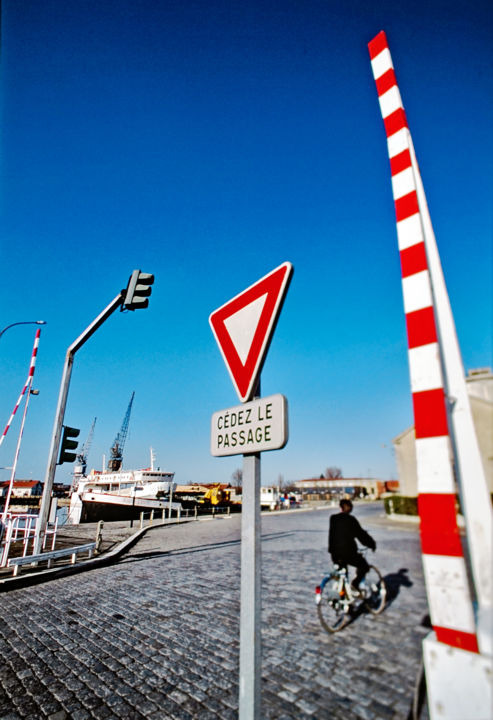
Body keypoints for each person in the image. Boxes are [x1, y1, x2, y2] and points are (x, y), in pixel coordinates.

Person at [328, 498, 376, 593]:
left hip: (334, 554)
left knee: (342, 574)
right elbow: (361, 535)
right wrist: (371, 544)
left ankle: (343, 598)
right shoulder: (351, 520)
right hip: (348, 553)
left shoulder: (333, 518)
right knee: (363, 566)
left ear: (340, 507)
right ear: (350, 508)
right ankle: (355, 583)